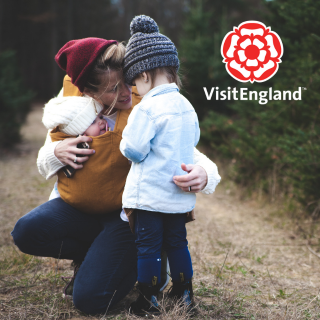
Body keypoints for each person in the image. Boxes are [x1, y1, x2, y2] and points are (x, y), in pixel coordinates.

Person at [11, 37, 221, 316]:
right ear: (88, 91)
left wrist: (206, 173)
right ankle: (94, 255)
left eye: (127, 82)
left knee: (90, 301)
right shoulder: (73, 109)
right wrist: (55, 152)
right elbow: (44, 158)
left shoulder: (145, 104)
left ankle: (139, 260)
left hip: (127, 216)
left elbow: (183, 148)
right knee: (26, 232)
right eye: (113, 89)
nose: (126, 92)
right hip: (80, 209)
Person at [119, 15, 199, 316]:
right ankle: (184, 294)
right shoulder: (186, 106)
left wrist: (125, 141)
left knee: (149, 248)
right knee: (178, 243)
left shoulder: (147, 108)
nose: (135, 89)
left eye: (135, 82)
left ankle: (149, 298)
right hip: (178, 197)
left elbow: (135, 150)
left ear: (146, 74)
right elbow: (192, 141)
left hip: (150, 197)